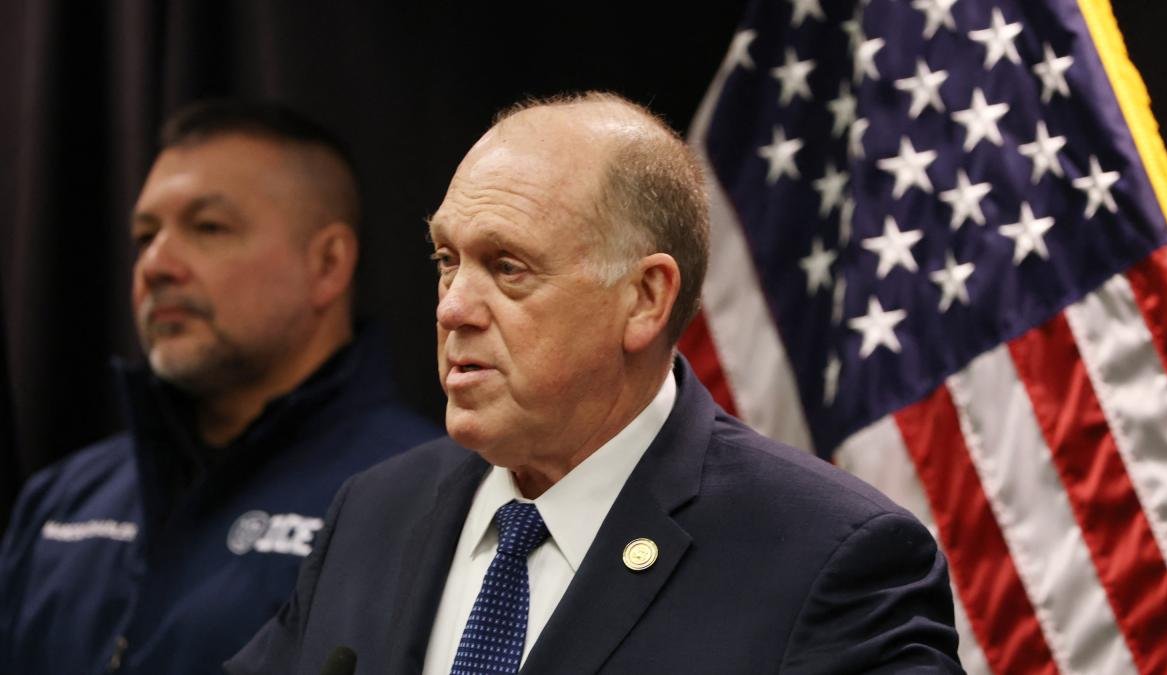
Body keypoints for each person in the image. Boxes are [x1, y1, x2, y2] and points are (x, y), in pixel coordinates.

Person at [228, 92, 962, 674]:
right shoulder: (374, 512)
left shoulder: (827, 557)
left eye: (507, 267)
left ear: (644, 299)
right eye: (447, 261)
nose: (452, 307)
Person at [0, 100, 439, 674]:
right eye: (145, 235)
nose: (156, 265)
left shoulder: (427, 498)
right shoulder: (63, 499)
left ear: (328, 265)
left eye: (208, 228)